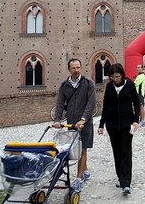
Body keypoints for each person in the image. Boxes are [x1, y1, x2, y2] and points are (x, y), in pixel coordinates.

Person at [54, 58, 96, 192]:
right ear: (69, 69)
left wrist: (84, 119)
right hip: (71, 122)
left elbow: (91, 102)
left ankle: (78, 179)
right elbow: (60, 103)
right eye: (73, 68)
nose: (76, 70)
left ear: (81, 68)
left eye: (78, 67)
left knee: (82, 150)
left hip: (86, 123)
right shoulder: (64, 85)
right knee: (74, 149)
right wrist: (56, 120)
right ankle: (85, 169)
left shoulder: (88, 83)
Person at [98, 63, 140, 195]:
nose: (115, 79)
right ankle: (121, 177)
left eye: (117, 76)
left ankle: (126, 183)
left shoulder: (130, 85)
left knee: (126, 152)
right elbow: (106, 106)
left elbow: (136, 103)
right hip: (112, 125)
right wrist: (101, 124)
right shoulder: (110, 87)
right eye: (113, 77)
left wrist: (135, 120)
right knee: (117, 152)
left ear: (122, 75)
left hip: (127, 124)